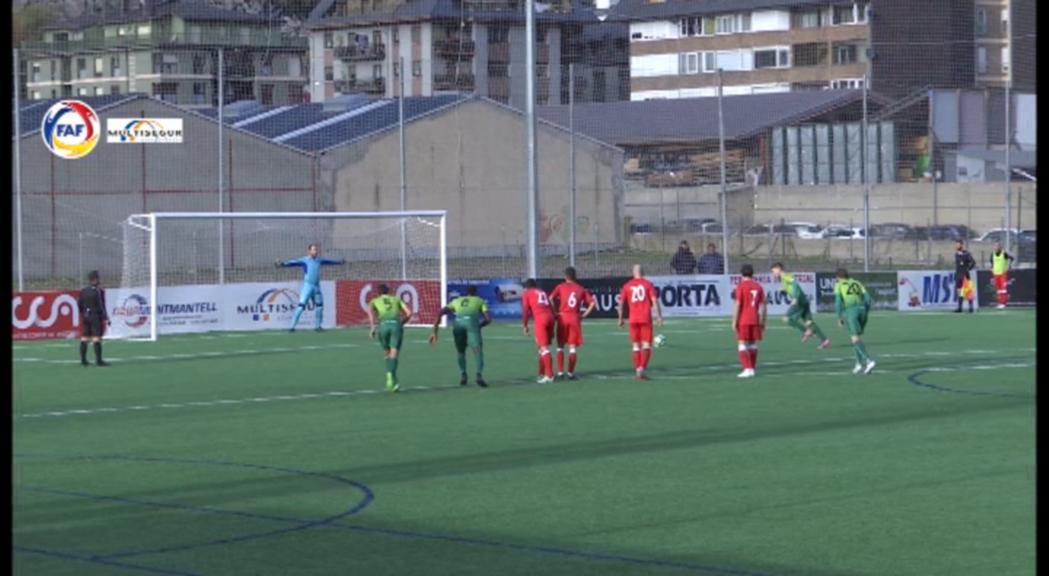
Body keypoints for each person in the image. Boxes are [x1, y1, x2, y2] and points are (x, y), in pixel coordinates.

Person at [429, 284, 491, 388]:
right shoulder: (480, 300)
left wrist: (434, 332)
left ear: (466, 293)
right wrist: (479, 326)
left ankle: (463, 375)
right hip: (471, 323)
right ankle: (479, 375)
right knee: (477, 350)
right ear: (476, 292)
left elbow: (440, 312)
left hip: (457, 323)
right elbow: (488, 319)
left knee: (460, 351)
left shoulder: (457, 301)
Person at [275, 243, 346, 332]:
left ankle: (318, 326)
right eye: (313, 249)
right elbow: (293, 263)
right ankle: (292, 327)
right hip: (307, 286)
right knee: (301, 306)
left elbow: (329, 261)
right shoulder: (305, 260)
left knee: (319, 306)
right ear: (309, 251)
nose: (315, 251)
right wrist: (283, 264)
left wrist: (339, 262)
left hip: (316, 286)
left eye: (316, 250)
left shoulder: (319, 260)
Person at [549, 266, 597, 380]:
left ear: (565, 276)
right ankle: (570, 373)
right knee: (572, 347)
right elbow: (592, 303)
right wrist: (584, 315)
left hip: (563, 317)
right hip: (575, 318)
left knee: (560, 346)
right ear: (575, 276)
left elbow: (550, 298)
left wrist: (555, 312)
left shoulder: (560, 287)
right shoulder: (580, 288)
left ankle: (560, 373)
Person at [617, 264, 664, 380]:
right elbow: (654, 301)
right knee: (646, 345)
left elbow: (621, 304)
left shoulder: (626, 285)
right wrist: (659, 316)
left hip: (633, 319)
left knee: (635, 346)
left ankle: (638, 370)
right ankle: (641, 369)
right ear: (643, 273)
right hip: (645, 318)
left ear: (633, 273)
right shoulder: (648, 284)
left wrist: (620, 318)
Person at [771, 263, 830, 350]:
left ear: (779, 269)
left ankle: (806, 331)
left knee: (786, 318)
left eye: (773, 271)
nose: (773, 273)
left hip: (799, 301)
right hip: (804, 300)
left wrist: (795, 297)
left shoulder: (785, 276)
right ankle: (824, 340)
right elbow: (790, 287)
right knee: (809, 322)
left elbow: (795, 284)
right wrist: (783, 291)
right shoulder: (783, 279)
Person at [367, 284, 413, 392]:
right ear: (388, 292)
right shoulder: (396, 299)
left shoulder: (374, 301)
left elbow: (370, 312)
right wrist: (402, 323)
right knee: (394, 353)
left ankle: (392, 379)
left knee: (387, 353)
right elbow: (409, 313)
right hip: (395, 325)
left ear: (378, 293)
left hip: (383, 326)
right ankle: (390, 376)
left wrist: (373, 328)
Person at [834, 268, 876, 375]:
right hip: (863, 310)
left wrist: (839, 317)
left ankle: (868, 361)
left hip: (852, 311)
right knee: (856, 338)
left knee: (855, 338)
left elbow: (838, 302)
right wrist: (865, 310)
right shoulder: (857, 282)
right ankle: (858, 364)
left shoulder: (839, 285)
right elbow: (868, 298)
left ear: (838, 277)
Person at [732, 264, 766, 378]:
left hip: (744, 319)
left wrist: (734, 320)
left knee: (741, 344)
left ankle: (747, 369)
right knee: (752, 344)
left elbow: (738, 304)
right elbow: (763, 306)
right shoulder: (759, 287)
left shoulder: (741, 286)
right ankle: (752, 368)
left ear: (742, 274)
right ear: (752, 274)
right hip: (755, 319)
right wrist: (763, 321)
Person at [522, 279, 558, 384]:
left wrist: (525, 325)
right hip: (550, 317)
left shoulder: (527, 294)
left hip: (541, 319)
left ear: (527, 287)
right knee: (541, 347)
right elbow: (551, 306)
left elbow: (525, 310)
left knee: (544, 348)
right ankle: (542, 373)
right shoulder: (542, 292)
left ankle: (549, 375)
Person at [77, 270, 110, 367]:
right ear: (95, 279)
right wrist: (105, 317)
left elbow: (79, 304)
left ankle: (83, 360)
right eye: (98, 278)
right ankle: (99, 361)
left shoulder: (83, 290)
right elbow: (101, 305)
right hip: (95, 316)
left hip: (86, 316)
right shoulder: (98, 291)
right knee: (96, 338)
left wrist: (83, 314)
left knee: (84, 337)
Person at [953, 240, 976, 313]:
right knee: (959, 292)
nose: (956, 246)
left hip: (965, 275)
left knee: (968, 291)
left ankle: (971, 307)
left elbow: (973, 262)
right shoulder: (956, 254)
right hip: (958, 275)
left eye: (958, 244)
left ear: (962, 245)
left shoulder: (966, 254)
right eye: (956, 244)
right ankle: (960, 307)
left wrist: (968, 269)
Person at [990, 241, 1014, 309]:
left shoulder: (1004, 254)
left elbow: (1012, 258)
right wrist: (992, 268)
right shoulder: (993, 254)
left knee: (1003, 289)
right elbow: (992, 262)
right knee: (998, 289)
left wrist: (1009, 266)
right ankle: (1000, 303)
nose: (995, 247)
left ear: (1000, 247)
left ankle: (1003, 303)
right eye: (995, 246)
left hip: (1003, 274)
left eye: (997, 246)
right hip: (996, 274)